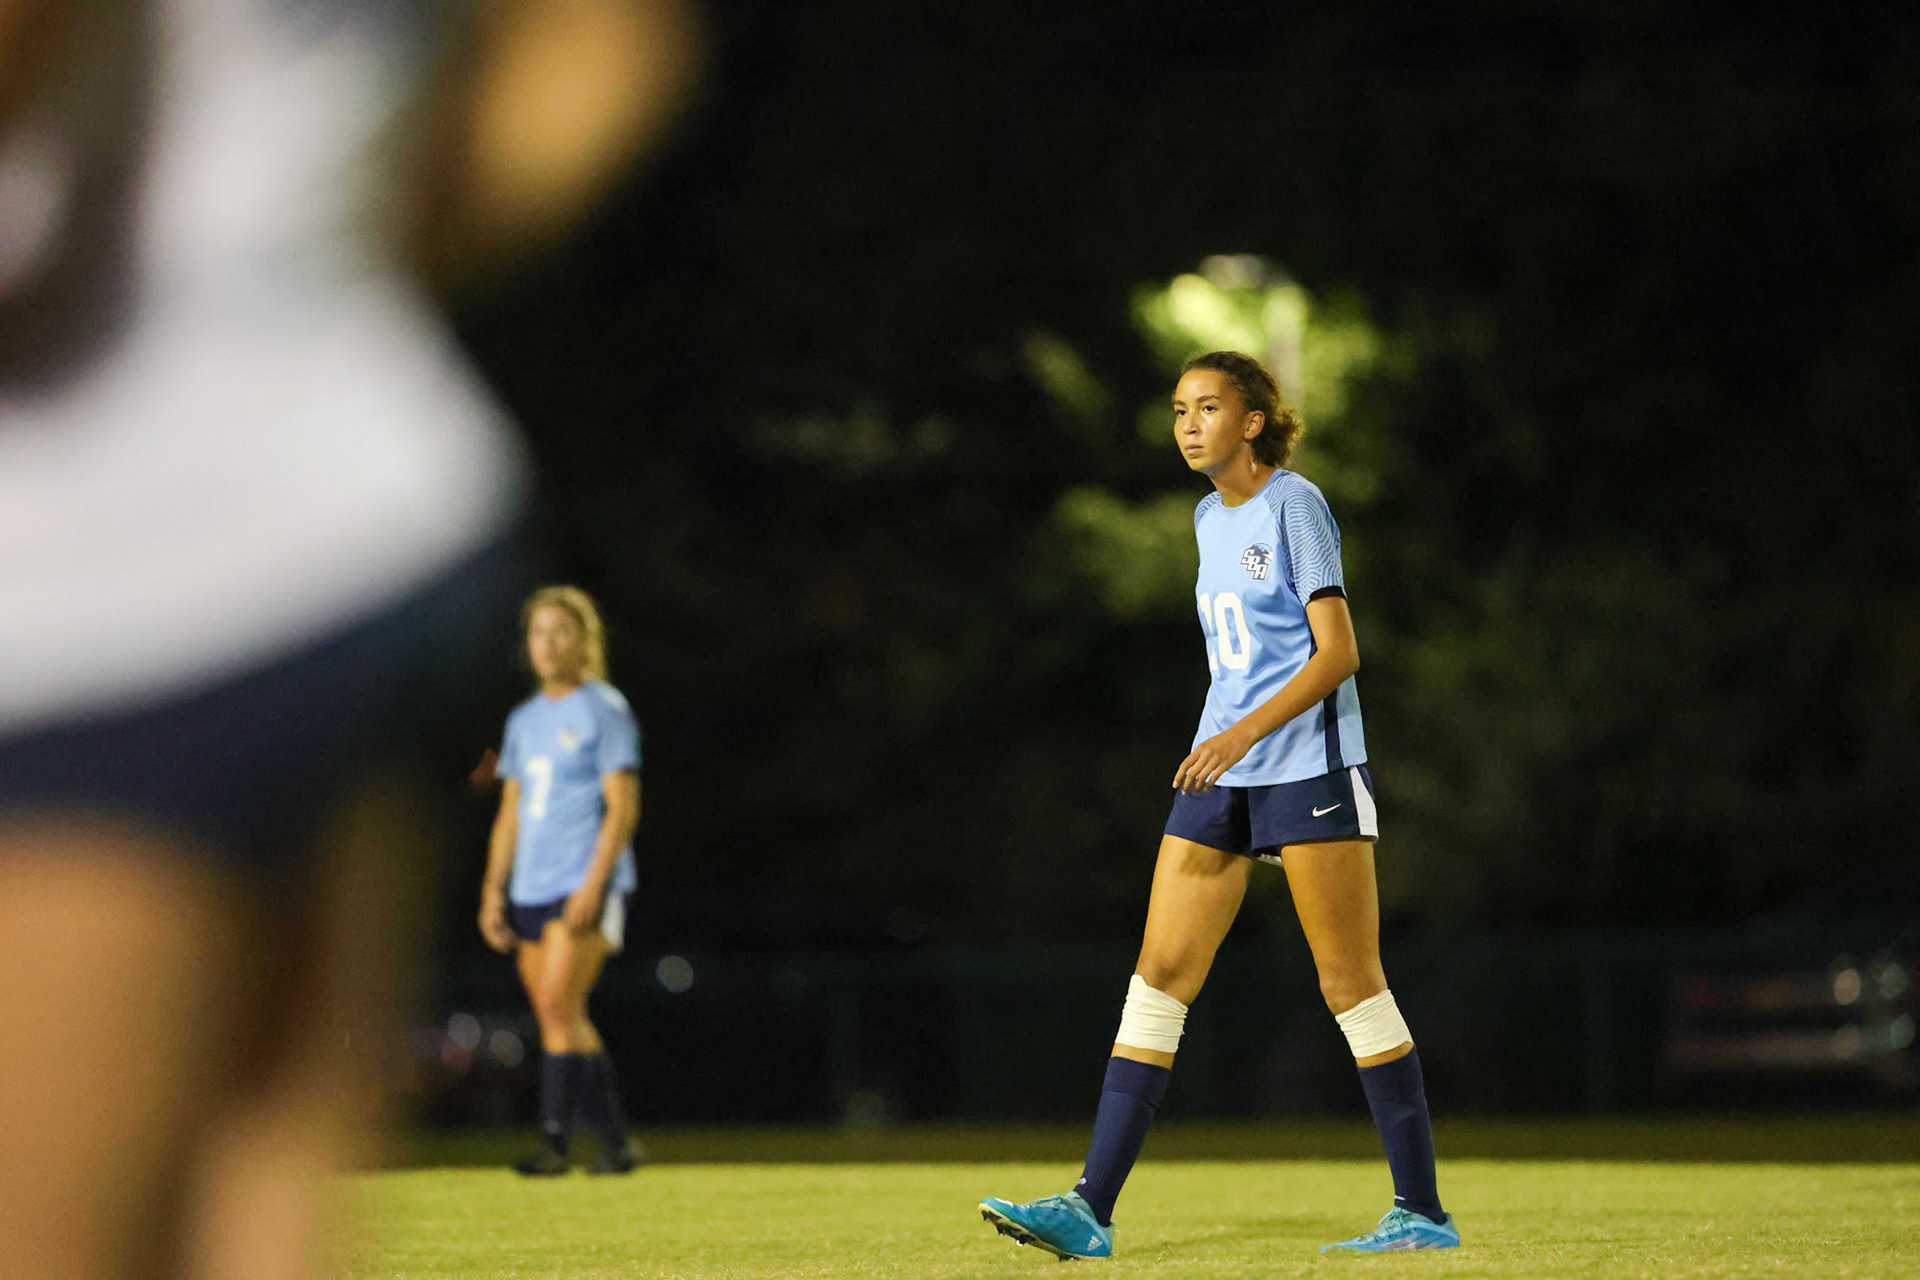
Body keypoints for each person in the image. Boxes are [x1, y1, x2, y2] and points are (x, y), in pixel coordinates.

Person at [0, 1, 695, 1274]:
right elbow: (601, 48)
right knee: (256, 1212)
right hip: (356, 522)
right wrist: (319, 304)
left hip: (103, 597)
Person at [979, 351, 1458, 1258]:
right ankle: (1088, 1209)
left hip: (1307, 768)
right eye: (1178, 410)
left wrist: (1242, 735)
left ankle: (1422, 1213)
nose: (1188, 425)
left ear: (1252, 421)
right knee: (1159, 974)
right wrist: (1223, 740)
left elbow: (1337, 653)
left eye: (1207, 408)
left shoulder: (1296, 505)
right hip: (1221, 774)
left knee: (1350, 985)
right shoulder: (1207, 518)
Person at [480, 586, 645, 1176]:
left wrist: (594, 884)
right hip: (530, 885)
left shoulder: (604, 709)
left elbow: (622, 807)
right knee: (563, 1016)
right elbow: (510, 811)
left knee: (556, 1004)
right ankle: (617, 1144)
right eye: (538, 633)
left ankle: (553, 1145)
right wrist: (493, 890)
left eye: (560, 632)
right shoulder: (524, 720)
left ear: (583, 642)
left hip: (583, 881)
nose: (547, 644)